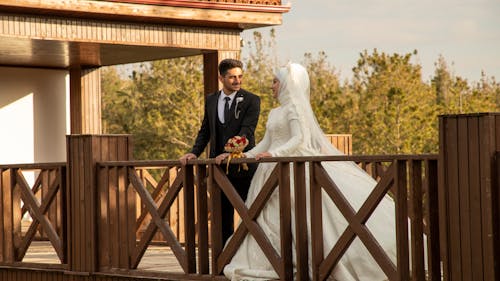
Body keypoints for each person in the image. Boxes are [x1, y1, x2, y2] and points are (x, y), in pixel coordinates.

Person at [217, 63, 397, 280]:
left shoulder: (295, 108)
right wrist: (242, 155)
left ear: (286, 84)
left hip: (291, 169)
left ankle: (306, 261)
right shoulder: (275, 112)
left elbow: (299, 139)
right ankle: (275, 260)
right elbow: (266, 142)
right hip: (269, 173)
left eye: (275, 81)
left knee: (300, 215)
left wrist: (275, 154)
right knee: (266, 217)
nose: (272, 86)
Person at [179, 58, 260, 245]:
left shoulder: (252, 100)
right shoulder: (211, 100)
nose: (237, 81)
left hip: (243, 169)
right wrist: (194, 153)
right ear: (221, 78)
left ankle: (252, 257)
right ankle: (225, 263)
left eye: (240, 76)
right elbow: (205, 130)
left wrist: (231, 153)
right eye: (232, 77)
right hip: (218, 170)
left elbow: (246, 131)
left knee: (250, 216)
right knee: (222, 218)